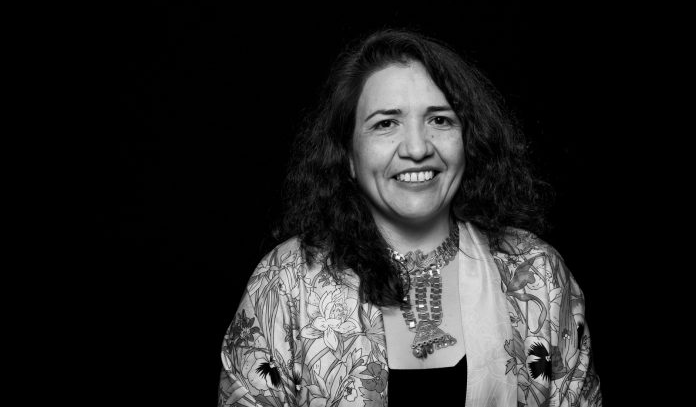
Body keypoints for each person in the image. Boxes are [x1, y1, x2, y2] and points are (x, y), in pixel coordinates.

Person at [217, 30, 602, 406]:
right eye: (386, 123)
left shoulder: (538, 273)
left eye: (440, 120)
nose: (417, 148)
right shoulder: (284, 281)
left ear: (468, 139)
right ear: (348, 156)